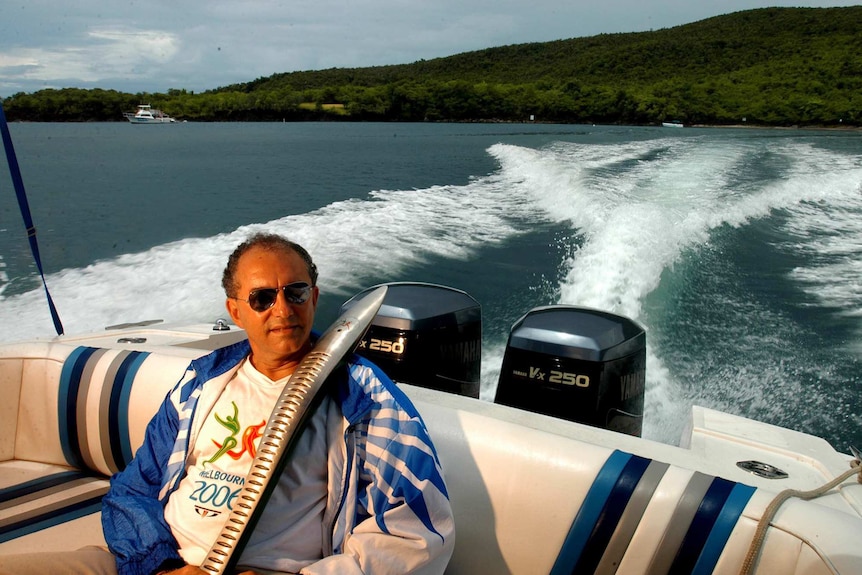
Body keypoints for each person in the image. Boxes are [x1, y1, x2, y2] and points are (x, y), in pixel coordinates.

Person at [1, 233, 455, 575]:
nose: (282, 309)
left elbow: (417, 533)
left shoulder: (364, 398)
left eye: (295, 292)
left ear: (314, 299)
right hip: (153, 561)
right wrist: (161, 565)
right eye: (262, 297)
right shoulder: (202, 380)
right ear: (236, 311)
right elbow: (134, 488)